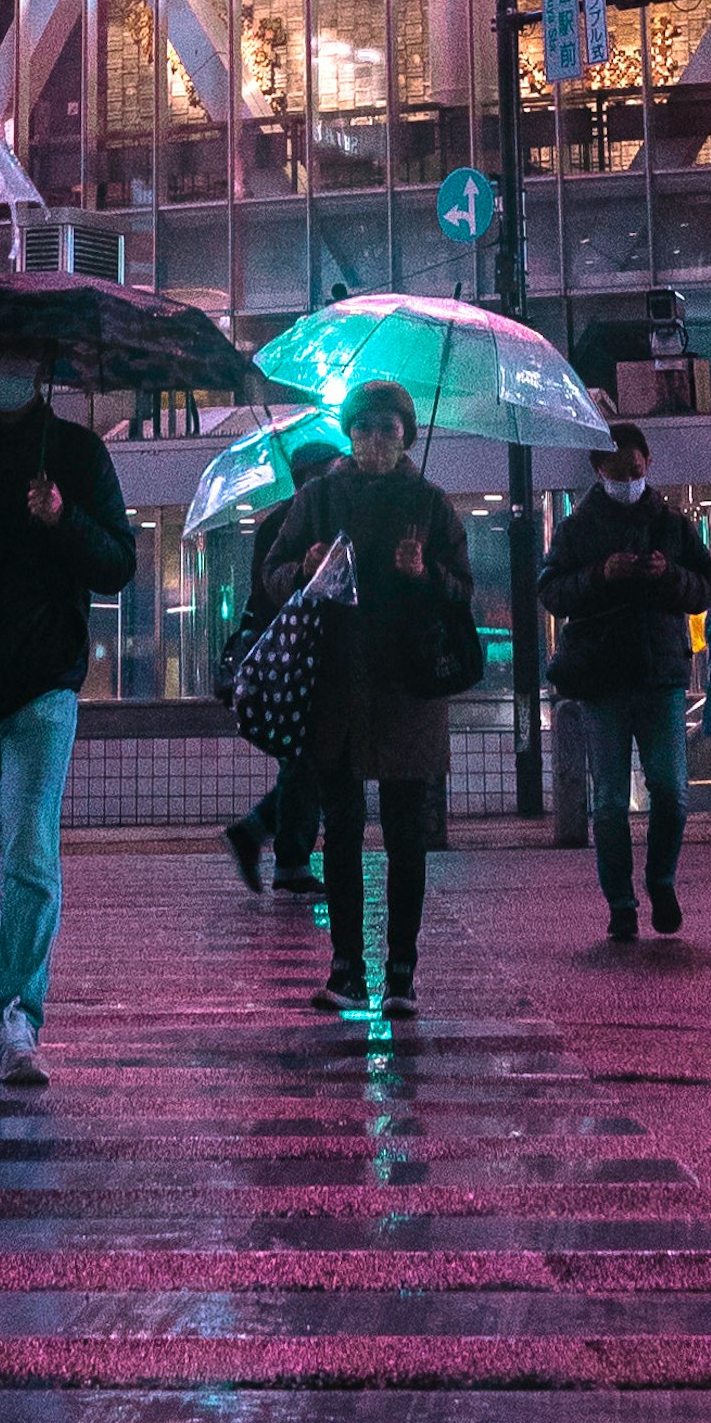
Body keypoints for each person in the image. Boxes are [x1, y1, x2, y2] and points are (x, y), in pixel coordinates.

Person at [0, 338, 138, 1080]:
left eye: (12, 358)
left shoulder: (75, 453)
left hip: (44, 683)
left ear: (41, 367)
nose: (1, 371)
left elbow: (119, 562)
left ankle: (14, 1012)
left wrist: (62, 516)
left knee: (32, 854)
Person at [294, 375, 476, 1027]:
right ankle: (347, 967)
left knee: (407, 837)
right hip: (336, 684)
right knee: (340, 833)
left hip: (408, 686)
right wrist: (304, 565)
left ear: (407, 436)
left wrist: (424, 573)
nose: (376, 440)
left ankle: (402, 969)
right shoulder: (320, 498)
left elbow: (462, 589)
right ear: (349, 433)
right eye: (365, 428)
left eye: (388, 429)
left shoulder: (430, 503)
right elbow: (273, 573)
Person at [541, 417, 711, 942]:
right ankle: (621, 904)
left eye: (635, 469)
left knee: (671, 791)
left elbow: (704, 590)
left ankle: (660, 881)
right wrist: (599, 575)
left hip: (660, 674)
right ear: (598, 469)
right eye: (618, 470)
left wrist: (669, 574)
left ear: (648, 465)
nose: (629, 478)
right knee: (610, 801)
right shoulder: (577, 528)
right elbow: (551, 592)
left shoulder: (673, 523)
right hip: (602, 680)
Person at [222, 438, 339, 905]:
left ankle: (258, 835)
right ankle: (287, 858)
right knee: (305, 755)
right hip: (293, 660)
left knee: (307, 757)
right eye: (330, 471)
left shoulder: (313, 522)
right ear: (308, 477)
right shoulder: (284, 525)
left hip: (311, 656)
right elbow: (272, 591)